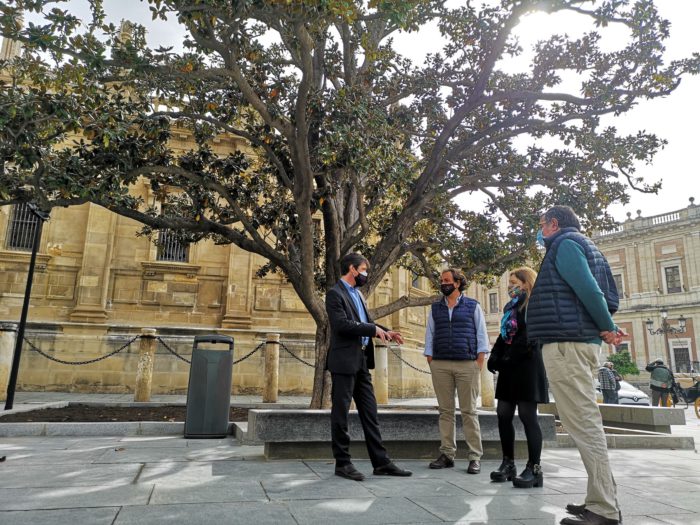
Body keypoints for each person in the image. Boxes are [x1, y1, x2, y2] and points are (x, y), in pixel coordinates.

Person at [528, 205, 624, 525]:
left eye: (541, 225)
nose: (540, 231)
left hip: (567, 344)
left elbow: (588, 289)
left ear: (554, 224)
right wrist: (604, 322)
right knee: (584, 422)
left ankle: (604, 509)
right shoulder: (584, 244)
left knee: (583, 424)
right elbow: (601, 292)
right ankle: (600, 500)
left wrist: (607, 326)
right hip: (575, 340)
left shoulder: (566, 244)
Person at [326, 252, 412, 481]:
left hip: (362, 361)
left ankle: (381, 462)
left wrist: (385, 331)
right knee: (341, 413)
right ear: (352, 269)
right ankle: (342, 463)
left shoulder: (358, 295)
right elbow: (341, 325)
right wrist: (372, 330)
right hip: (343, 361)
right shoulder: (335, 294)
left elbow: (366, 323)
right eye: (363, 269)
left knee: (370, 413)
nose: (365, 274)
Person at [424, 268, 489, 475]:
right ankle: (447, 454)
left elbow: (481, 334)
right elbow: (430, 334)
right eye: (441, 280)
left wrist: (478, 362)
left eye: (447, 280)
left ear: (458, 283)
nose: (443, 283)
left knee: (469, 411)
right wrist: (431, 360)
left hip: (467, 364)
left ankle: (474, 457)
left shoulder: (473, 306)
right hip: (441, 364)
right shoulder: (435, 308)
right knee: (445, 411)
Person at [487, 267, 548, 488]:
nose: (509, 286)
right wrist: (495, 356)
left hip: (528, 365)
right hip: (509, 366)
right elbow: (505, 335)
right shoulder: (509, 306)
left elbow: (530, 337)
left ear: (526, 283)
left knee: (527, 415)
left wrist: (508, 358)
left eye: (513, 282)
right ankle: (508, 463)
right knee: (503, 413)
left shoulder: (535, 304)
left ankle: (535, 468)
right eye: (509, 283)